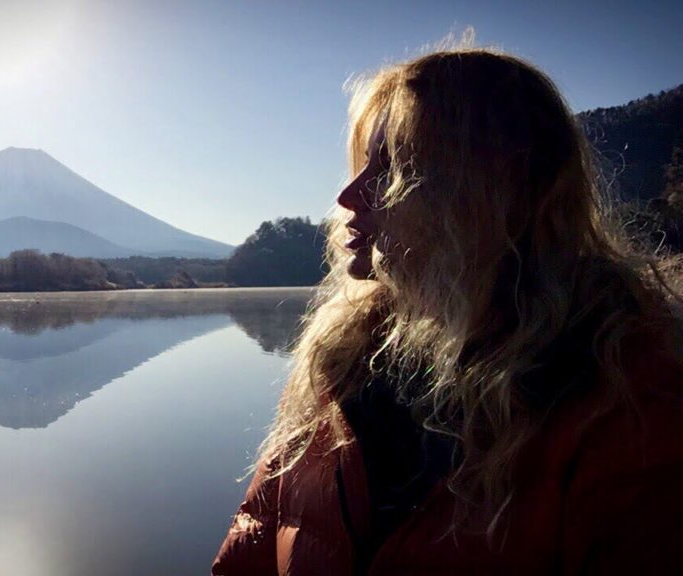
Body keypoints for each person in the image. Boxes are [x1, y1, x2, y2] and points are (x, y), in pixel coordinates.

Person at [212, 46, 683, 575]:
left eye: (391, 168)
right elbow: (255, 536)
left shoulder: (629, 404)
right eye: (362, 164)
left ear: (485, 194)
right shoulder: (340, 363)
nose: (349, 195)